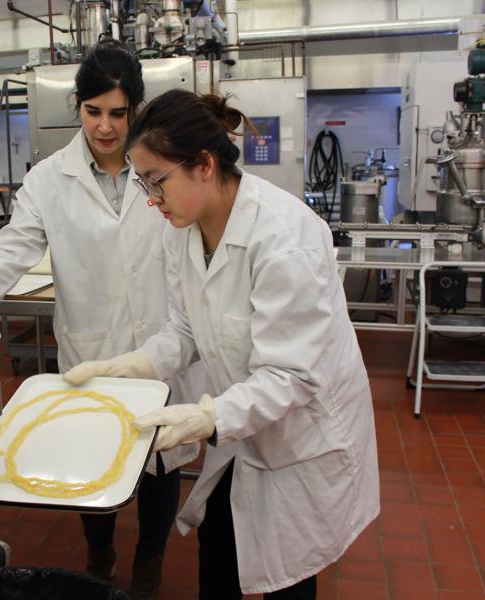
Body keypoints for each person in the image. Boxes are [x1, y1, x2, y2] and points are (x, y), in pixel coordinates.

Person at [64, 90, 380, 599]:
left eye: (157, 181)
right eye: (144, 183)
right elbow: (186, 330)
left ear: (204, 164)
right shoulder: (182, 229)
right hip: (241, 426)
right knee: (219, 550)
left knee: (289, 579)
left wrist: (208, 418)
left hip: (301, 436)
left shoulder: (285, 238)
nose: (151, 198)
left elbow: (291, 376)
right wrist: (134, 364)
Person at [0, 41, 208, 599]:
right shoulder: (51, 178)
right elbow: (15, 245)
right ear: (77, 108)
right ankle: (100, 553)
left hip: (162, 337)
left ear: (136, 110)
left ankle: (149, 560)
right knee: (91, 450)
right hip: (93, 343)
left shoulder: (160, 166)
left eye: (118, 113)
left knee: (162, 457)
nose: (106, 127)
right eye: (93, 111)